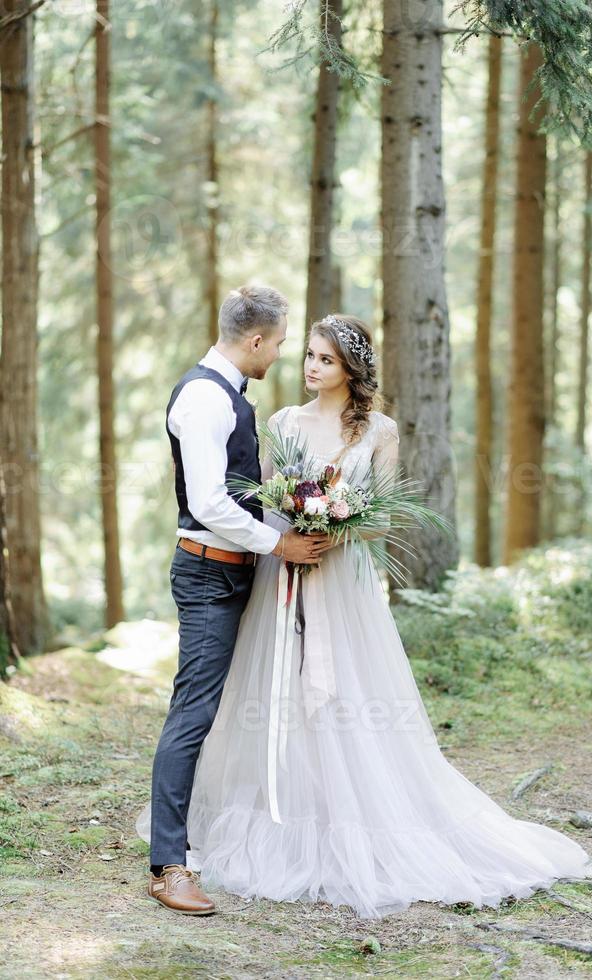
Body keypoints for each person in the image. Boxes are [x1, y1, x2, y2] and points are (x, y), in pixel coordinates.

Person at [138, 311, 592, 920]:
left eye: (324, 359)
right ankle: (268, 819)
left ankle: (346, 820)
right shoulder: (280, 422)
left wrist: (337, 522)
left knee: (347, 700)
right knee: (269, 694)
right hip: (282, 569)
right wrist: (293, 527)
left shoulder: (380, 431)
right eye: (304, 354)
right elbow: (263, 502)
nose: (308, 366)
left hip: (343, 582)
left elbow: (383, 517)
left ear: (351, 369)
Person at [142, 285, 331, 915]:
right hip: (208, 576)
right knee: (192, 711)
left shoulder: (228, 395)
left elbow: (236, 491)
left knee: (219, 707)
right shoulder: (203, 398)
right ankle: (170, 864)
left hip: (235, 571)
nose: (280, 355)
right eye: (279, 344)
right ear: (255, 340)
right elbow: (207, 503)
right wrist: (279, 547)